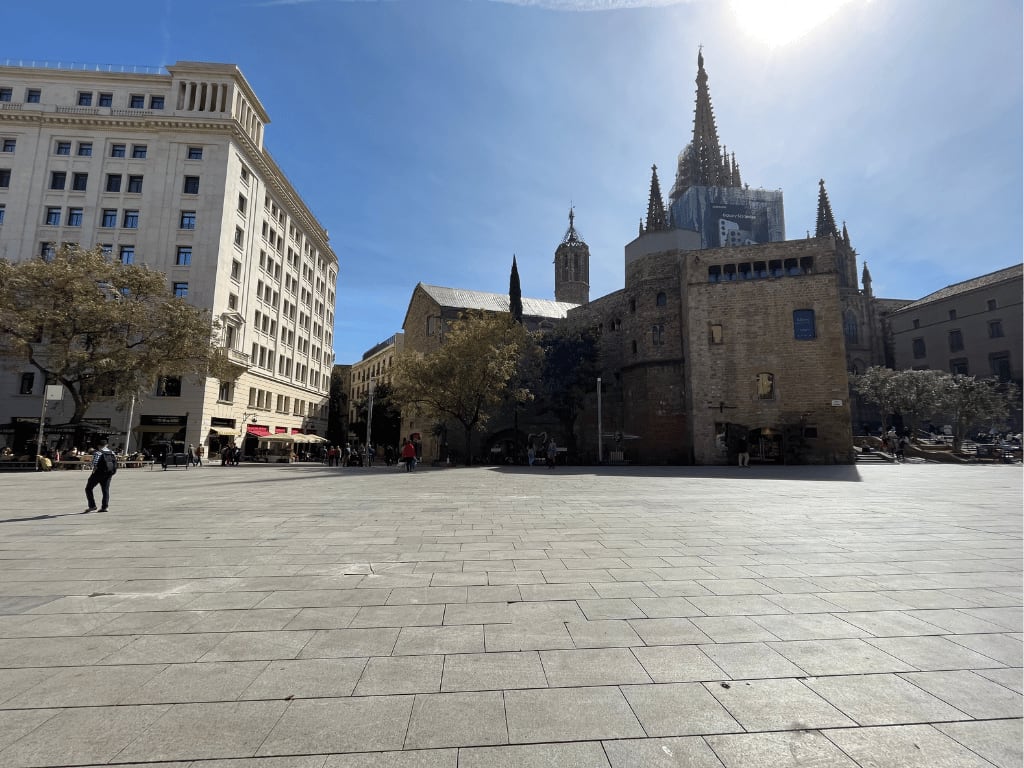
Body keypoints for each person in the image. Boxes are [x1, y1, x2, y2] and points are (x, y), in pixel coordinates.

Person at [85, 437, 117, 513]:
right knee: (105, 490)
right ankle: (105, 507)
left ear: (98, 445)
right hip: (108, 473)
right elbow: (115, 462)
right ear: (107, 445)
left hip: (98, 473)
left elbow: (94, 463)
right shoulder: (112, 452)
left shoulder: (98, 453)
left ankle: (92, 506)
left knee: (88, 488)